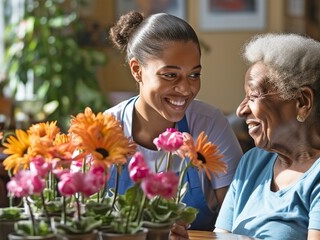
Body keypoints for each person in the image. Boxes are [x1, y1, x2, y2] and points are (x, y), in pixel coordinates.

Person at [173, 33, 320, 239]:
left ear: (302, 102)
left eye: (254, 96)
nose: (241, 110)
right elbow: (222, 236)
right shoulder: (253, 162)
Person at [104, 11, 243, 231]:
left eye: (194, 75)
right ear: (137, 70)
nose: (186, 88)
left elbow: (236, 223)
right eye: (170, 75)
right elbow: (78, 217)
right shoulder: (104, 130)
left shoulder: (210, 124)